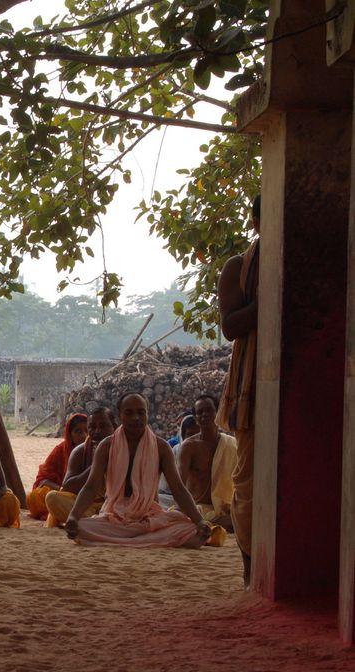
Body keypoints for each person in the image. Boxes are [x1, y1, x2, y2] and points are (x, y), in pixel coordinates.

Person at [65, 393, 214, 548]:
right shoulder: (106, 446)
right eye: (129, 413)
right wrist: (74, 517)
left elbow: (178, 489)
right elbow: (90, 487)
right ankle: (145, 539)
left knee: (192, 530)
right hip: (115, 518)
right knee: (81, 528)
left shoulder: (161, 447)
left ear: (147, 414)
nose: (136, 417)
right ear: (119, 416)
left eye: (140, 412)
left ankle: (130, 538)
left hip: (148, 518)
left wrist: (200, 521)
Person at [217, 194, 260, 585]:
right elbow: (230, 326)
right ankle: (250, 571)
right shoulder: (238, 268)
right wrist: (270, 299)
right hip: (253, 388)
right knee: (246, 483)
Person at [44, 406, 117, 527]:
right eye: (92, 427)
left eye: (103, 426)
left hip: (116, 507)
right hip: (86, 507)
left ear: (114, 427)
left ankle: (94, 522)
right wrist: (97, 463)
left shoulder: (125, 450)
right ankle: (96, 522)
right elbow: (67, 486)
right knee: (52, 498)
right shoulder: (80, 451)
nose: (97, 431)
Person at [177, 395, 237, 531]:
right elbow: (179, 485)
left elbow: (241, 480)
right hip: (198, 509)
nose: (205, 415)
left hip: (225, 509)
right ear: (196, 418)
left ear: (218, 412)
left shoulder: (231, 445)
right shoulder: (189, 446)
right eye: (200, 412)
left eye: (209, 410)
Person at [26, 413, 88, 520]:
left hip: (87, 496)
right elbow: (43, 480)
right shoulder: (60, 450)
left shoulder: (97, 449)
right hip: (64, 494)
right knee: (34, 498)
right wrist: (61, 490)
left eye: (87, 431)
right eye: (78, 431)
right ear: (70, 434)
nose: (84, 435)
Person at [158, 414, 200, 509]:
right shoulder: (174, 451)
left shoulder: (209, 452)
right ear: (182, 436)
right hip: (172, 498)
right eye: (190, 435)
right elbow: (168, 489)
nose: (193, 439)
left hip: (201, 500)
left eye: (197, 434)